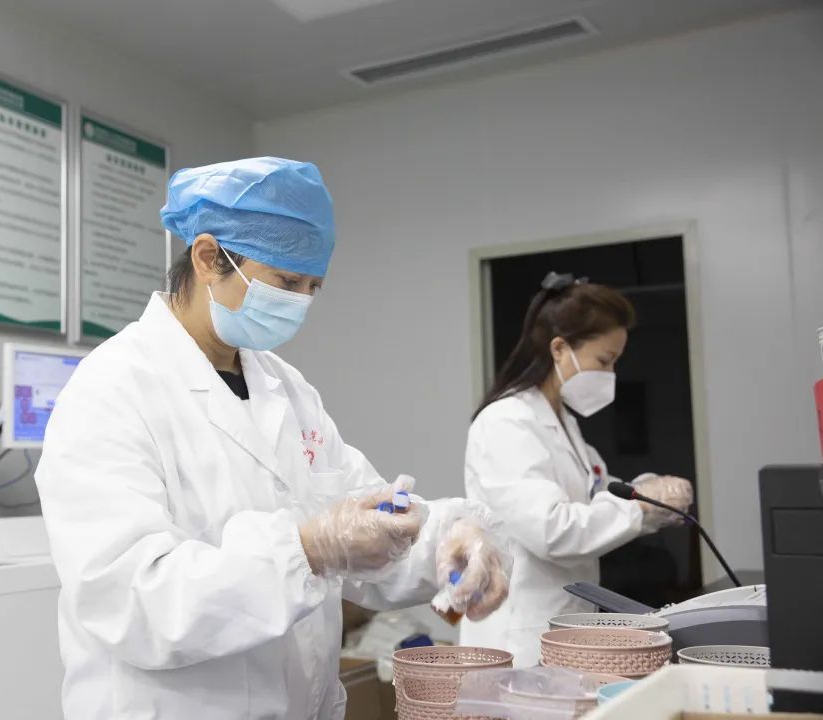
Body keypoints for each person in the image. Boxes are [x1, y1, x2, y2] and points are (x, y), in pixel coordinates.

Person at [36, 157, 511, 720]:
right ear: (208, 257)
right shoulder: (112, 388)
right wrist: (308, 550)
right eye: (286, 282)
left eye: (313, 287)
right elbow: (132, 602)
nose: (300, 302)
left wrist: (446, 538)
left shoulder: (287, 389)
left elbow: (365, 514)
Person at [458, 272, 693, 667]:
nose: (611, 374)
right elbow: (552, 531)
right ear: (559, 348)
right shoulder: (506, 422)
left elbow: (598, 489)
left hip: (562, 628)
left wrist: (653, 494)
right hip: (519, 640)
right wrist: (639, 508)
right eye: (604, 360)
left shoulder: (563, 423)